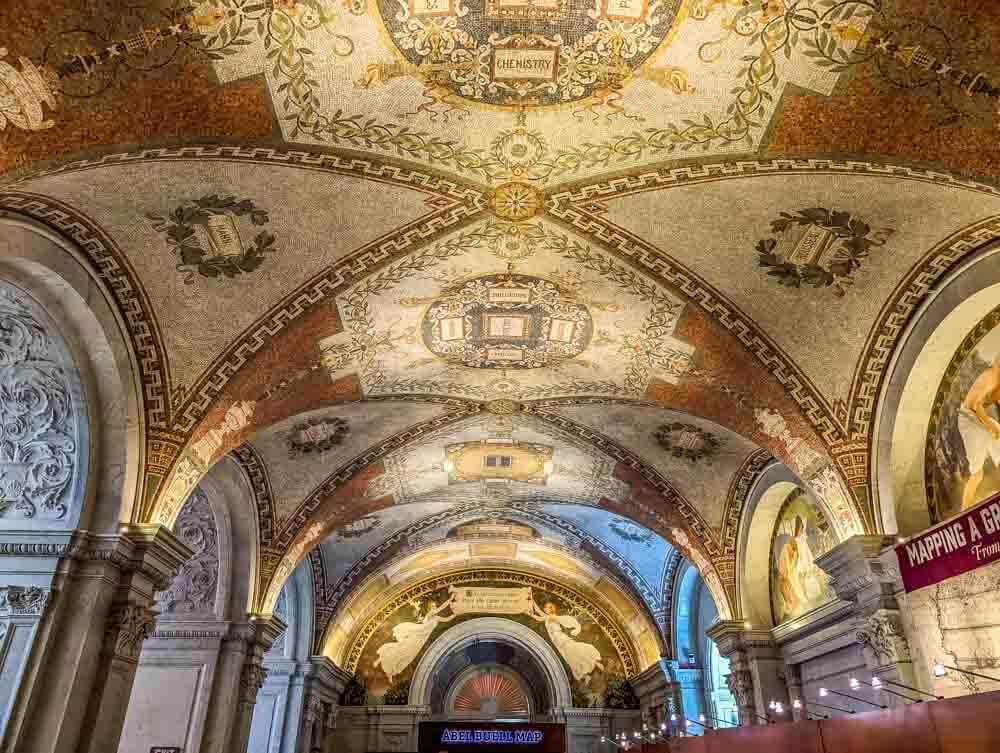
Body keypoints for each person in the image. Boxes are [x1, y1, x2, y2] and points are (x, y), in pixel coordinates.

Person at [374, 597, 455, 685]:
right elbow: (442, 607)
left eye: (435, 606)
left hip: (421, 640)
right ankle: (380, 659)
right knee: (401, 648)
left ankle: (390, 673)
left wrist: (456, 613)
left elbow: (447, 619)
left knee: (408, 656)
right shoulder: (430, 614)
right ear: (429, 609)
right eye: (432, 606)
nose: (434, 608)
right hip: (416, 635)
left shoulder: (437, 618)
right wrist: (450, 599)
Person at [958, 353, 1000, 510]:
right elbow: (976, 405)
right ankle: (964, 510)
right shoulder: (992, 377)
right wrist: (990, 426)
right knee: (977, 473)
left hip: (978, 419)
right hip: (969, 420)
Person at [529, 601, 603, 683]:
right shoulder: (548, 617)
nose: (545, 609)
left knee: (575, 651)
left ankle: (594, 662)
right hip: (557, 641)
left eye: (547, 607)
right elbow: (539, 612)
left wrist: (530, 613)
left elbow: (539, 617)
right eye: (545, 608)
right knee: (569, 658)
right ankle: (585, 675)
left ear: (551, 609)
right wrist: (532, 600)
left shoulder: (552, 617)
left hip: (560, 638)